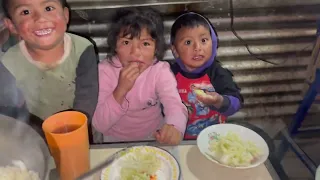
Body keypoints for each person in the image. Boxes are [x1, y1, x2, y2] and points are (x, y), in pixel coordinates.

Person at [0, 0, 99, 140]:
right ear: (12, 25)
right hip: (34, 135)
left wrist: (72, 130)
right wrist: (37, 133)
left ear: (65, 15)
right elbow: (11, 108)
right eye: (25, 12)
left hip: (78, 131)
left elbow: (87, 97)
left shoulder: (82, 48)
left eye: (48, 8)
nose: (40, 18)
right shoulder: (9, 62)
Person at [93, 7, 188, 145]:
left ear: (156, 48)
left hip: (154, 139)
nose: (135, 52)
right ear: (115, 46)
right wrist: (120, 91)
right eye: (126, 42)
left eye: (145, 44)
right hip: (114, 143)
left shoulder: (159, 71)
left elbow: (174, 105)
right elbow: (99, 124)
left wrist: (175, 127)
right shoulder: (105, 71)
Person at [170, 12, 243, 140]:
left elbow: (236, 104)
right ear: (175, 50)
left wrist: (219, 101)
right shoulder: (168, 74)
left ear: (213, 43)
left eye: (203, 40)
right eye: (188, 42)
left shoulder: (217, 73)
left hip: (215, 139)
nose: (197, 48)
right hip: (180, 140)